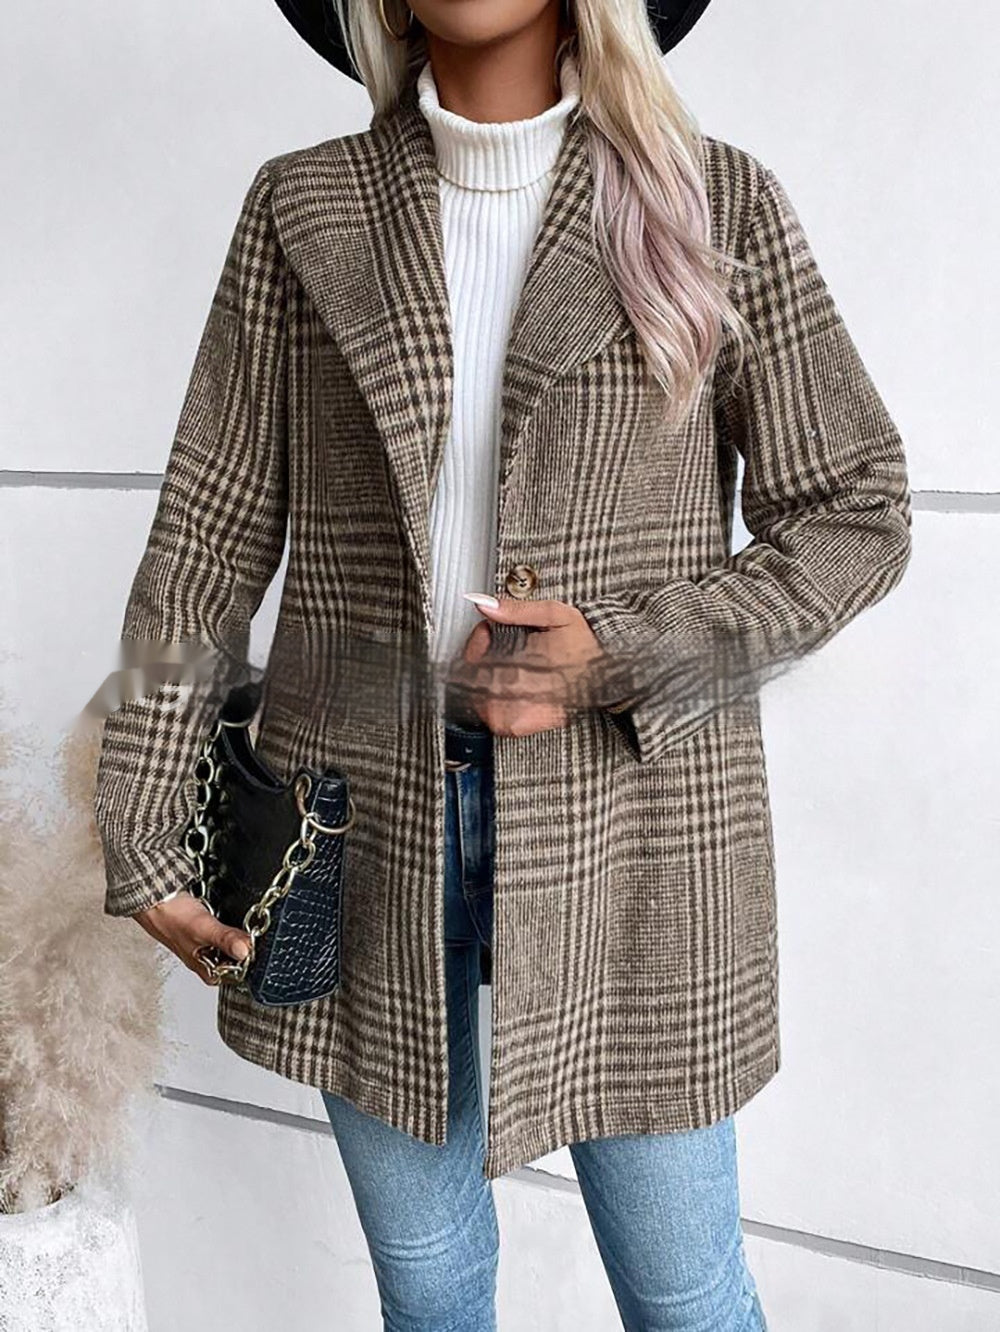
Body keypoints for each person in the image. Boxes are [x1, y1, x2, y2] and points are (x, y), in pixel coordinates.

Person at [93, 0, 912, 1327]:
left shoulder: (712, 202)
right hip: (353, 827)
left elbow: (855, 509)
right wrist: (140, 825)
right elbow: (206, 535)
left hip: (639, 834)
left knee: (686, 1291)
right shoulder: (304, 209)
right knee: (428, 1290)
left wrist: (623, 654)